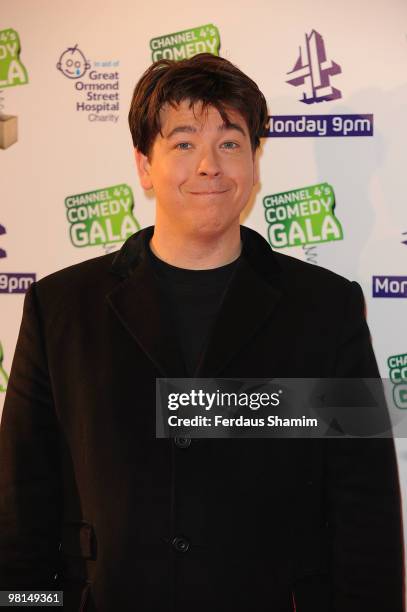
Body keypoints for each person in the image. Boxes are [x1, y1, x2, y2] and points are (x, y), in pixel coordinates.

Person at [0, 53, 403, 612]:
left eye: (231, 142)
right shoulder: (62, 307)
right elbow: (22, 509)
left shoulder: (326, 308)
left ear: (256, 162)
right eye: (184, 143)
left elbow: (366, 510)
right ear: (144, 165)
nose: (209, 165)